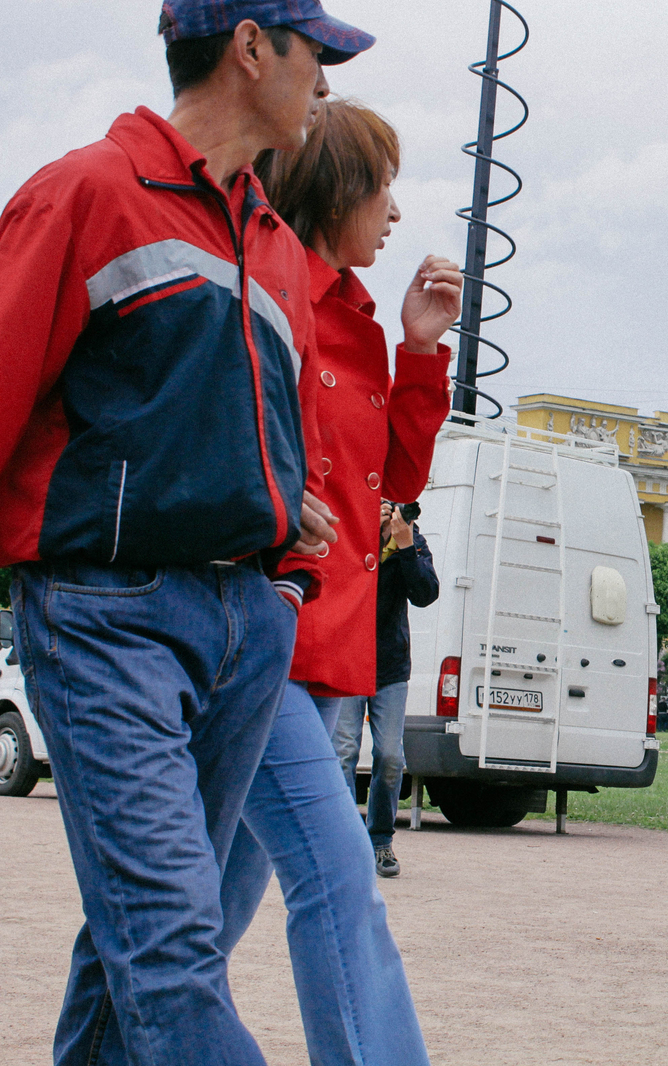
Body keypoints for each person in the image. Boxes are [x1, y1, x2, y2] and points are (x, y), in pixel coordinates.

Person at [0, 4, 364, 1061]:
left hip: (244, 623)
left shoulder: (279, 254)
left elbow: (269, 442)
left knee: (138, 944)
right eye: (317, 55)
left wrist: (281, 539)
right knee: (170, 945)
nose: (328, 83)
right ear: (250, 47)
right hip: (106, 616)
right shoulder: (83, 193)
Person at [216, 95, 459, 1064]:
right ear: (336, 189)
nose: (397, 212)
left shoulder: (352, 314)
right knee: (338, 878)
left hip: (327, 653)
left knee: (198, 913)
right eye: (384, 185)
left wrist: (422, 348)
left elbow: (395, 480)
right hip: (269, 643)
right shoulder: (269, 300)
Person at [332, 499, 441, 876]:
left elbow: (426, 594)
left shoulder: (410, 541)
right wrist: (367, 536)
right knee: (343, 751)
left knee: (391, 757)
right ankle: (346, 844)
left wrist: (405, 545)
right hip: (346, 660)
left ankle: (381, 842)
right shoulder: (351, 536)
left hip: (390, 666)